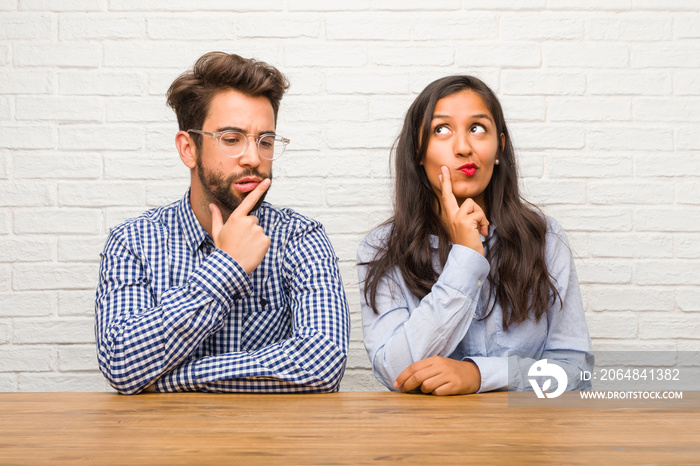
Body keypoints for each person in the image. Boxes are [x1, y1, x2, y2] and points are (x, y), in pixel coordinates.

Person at [95, 52, 350, 395]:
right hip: (165, 446)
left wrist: (166, 378)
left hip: (274, 445)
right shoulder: (133, 241)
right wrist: (225, 268)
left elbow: (322, 363)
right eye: (231, 139)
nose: (254, 158)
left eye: (266, 141)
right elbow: (121, 363)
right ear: (189, 149)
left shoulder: (300, 238)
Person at [357, 75, 593, 395]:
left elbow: (576, 370)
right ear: (418, 150)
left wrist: (480, 375)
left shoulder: (546, 239)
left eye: (477, 128)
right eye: (441, 129)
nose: (464, 147)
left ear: (500, 146)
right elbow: (393, 371)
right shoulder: (380, 249)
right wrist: (466, 260)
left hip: (527, 435)